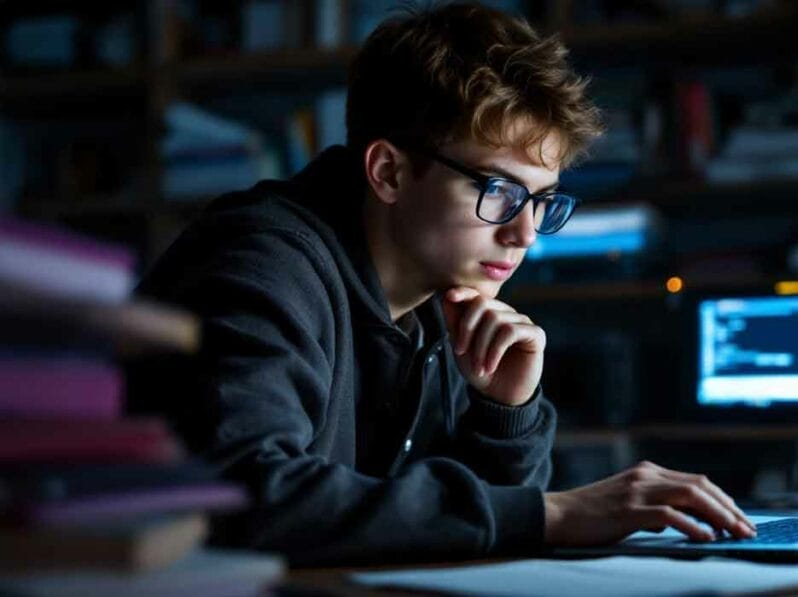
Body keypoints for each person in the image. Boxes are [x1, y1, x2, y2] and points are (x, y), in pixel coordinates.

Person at [126, 2, 755, 565]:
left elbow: (470, 533)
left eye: (541, 201)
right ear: (390, 173)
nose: (526, 234)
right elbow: (246, 495)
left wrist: (504, 414)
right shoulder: (260, 264)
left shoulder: (439, 293)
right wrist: (556, 514)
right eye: (500, 191)